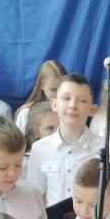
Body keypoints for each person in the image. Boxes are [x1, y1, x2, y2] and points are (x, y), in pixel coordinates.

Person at [25, 73, 100, 205]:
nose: (73, 105)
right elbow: (35, 196)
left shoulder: (105, 148)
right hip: (52, 218)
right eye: (66, 98)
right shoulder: (40, 149)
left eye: (82, 101)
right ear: (54, 104)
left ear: (92, 110)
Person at [15, 59, 66, 133]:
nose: (58, 94)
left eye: (62, 89)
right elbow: (19, 140)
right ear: (41, 85)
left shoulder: (68, 112)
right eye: (53, 89)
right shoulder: (25, 114)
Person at [21, 102, 58, 182]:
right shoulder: (25, 163)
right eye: (50, 128)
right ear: (35, 132)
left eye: (61, 127)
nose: (57, 133)